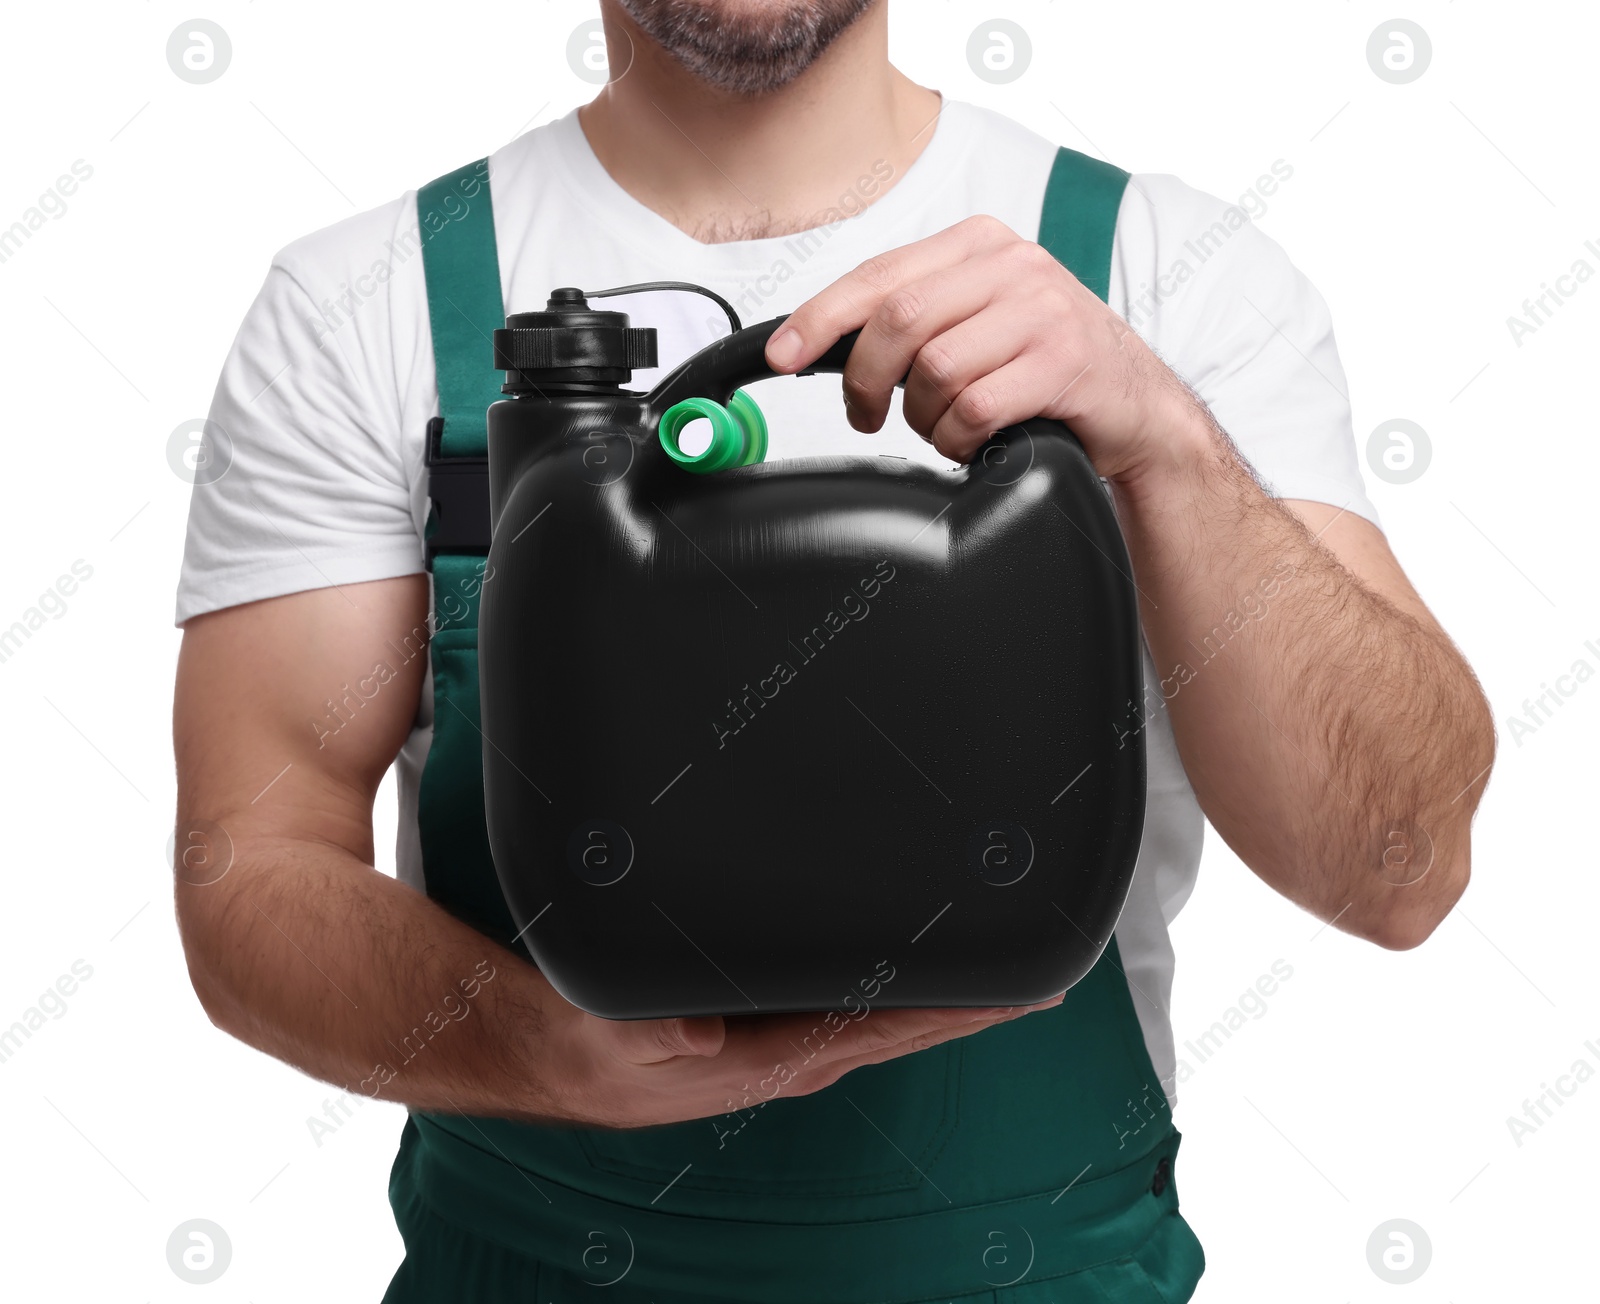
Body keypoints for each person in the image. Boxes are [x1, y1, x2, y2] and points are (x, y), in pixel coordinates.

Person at [171, 2, 1496, 1300]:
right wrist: (534, 1051)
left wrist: (1163, 442)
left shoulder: (1166, 271)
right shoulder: (372, 303)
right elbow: (251, 866)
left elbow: (1397, 869)